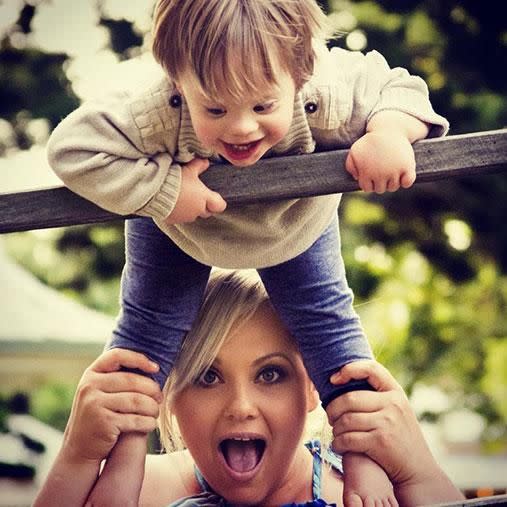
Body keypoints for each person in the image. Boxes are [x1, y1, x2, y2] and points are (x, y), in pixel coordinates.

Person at [45, 0, 449, 505]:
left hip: (295, 222)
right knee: (143, 334)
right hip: (179, 222)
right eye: (214, 108)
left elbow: (403, 87)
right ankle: (122, 467)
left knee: (331, 329)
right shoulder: (153, 108)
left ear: (301, 75)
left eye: (262, 106)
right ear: (176, 82)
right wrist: (165, 191)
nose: (240, 128)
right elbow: (71, 150)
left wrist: (389, 131)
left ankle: (366, 463)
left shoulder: (325, 88)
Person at [33, 270, 464, 507]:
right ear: (169, 394)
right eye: (208, 376)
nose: (241, 406)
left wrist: (418, 469)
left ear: (313, 388)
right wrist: (78, 455)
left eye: (270, 374)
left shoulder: (372, 494)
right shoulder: (138, 493)